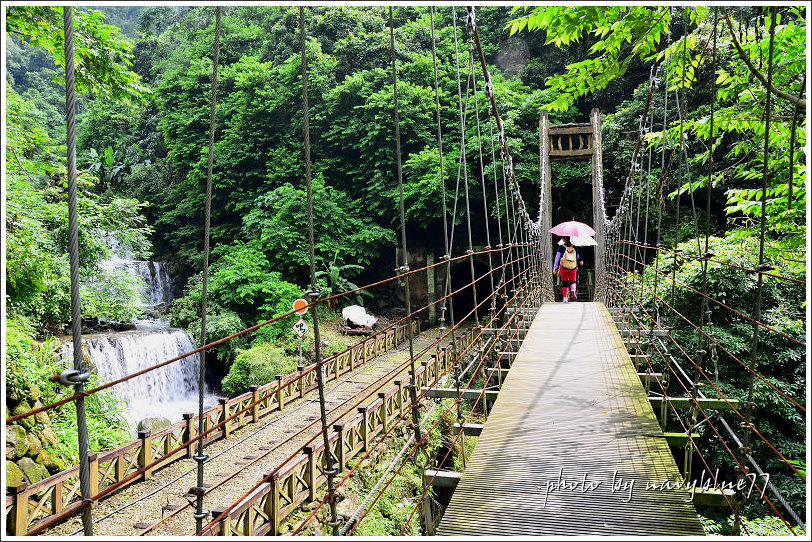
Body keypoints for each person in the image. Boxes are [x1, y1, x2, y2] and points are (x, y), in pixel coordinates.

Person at [553, 236, 584, 302]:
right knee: (573, 281)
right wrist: (580, 260)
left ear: (564, 239)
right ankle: (573, 290)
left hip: (563, 267)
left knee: (564, 283)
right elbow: (577, 256)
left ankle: (565, 298)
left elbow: (558, 257)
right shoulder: (574, 246)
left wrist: (555, 268)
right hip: (573, 267)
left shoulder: (561, 246)